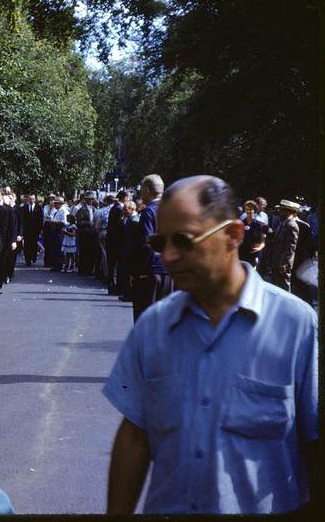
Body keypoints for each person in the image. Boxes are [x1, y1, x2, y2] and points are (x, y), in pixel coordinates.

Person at [103, 175, 318, 514]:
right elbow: (135, 435)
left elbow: (315, 442)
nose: (170, 256)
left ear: (233, 236)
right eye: (160, 244)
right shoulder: (153, 327)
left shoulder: (296, 325)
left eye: (185, 241)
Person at [129, 174, 173, 321]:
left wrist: (137, 272)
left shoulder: (149, 212)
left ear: (147, 190)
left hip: (150, 273)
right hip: (168, 272)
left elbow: (146, 244)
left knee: (145, 322)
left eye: (141, 189)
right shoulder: (171, 210)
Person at [268, 199, 300, 292]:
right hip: (276, 260)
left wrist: (284, 263)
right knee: (277, 285)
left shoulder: (291, 225)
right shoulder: (283, 223)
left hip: (282, 263)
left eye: (282, 210)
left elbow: (291, 247)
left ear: (288, 212)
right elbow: (276, 236)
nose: (279, 212)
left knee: (284, 286)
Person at [106, 190, 130, 295]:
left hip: (112, 239)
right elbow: (120, 225)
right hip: (116, 240)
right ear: (124, 198)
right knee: (115, 264)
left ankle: (112, 285)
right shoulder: (119, 209)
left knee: (112, 263)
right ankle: (114, 286)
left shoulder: (114, 208)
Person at [237, 199, 266, 268]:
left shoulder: (259, 225)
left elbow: (262, 242)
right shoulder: (241, 223)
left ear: (254, 210)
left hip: (253, 255)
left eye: (251, 209)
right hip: (241, 254)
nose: (249, 211)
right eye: (247, 209)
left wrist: (259, 248)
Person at [21, 193, 43, 266]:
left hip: (35, 230)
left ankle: (33, 257)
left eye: (33, 199)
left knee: (34, 244)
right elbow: (23, 219)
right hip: (27, 230)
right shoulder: (24, 207)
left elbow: (40, 219)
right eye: (30, 199)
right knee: (27, 245)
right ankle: (28, 260)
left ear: (35, 199)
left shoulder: (38, 208)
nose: (31, 200)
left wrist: (40, 229)